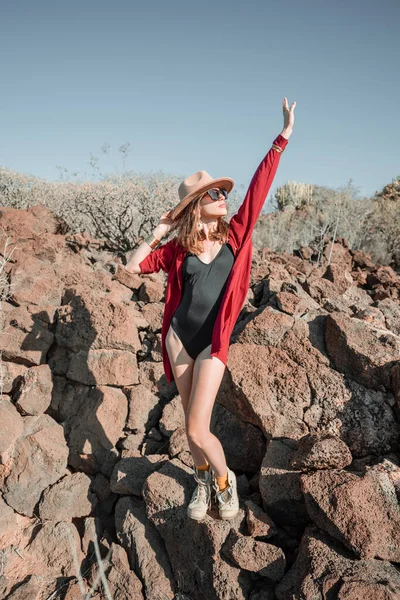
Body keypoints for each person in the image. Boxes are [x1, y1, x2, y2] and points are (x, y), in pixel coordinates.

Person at [124, 97, 296, 521]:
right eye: (214, 194)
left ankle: (224, 480)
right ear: (195, 206)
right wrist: (160, 230)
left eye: (221, 192)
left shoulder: (236, 236)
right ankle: (201, 480)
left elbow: (258, 189)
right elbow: (131, 267)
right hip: (180, 339)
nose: (223, 197)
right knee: (188, 426)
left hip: (212, 344)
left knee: (199, 427)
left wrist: (282, 138)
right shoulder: (178, 250)